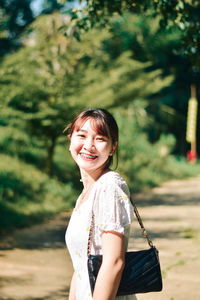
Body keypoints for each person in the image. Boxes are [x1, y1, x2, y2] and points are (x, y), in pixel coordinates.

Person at [65, 108, 137, 300]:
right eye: (82, 135)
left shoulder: (109, 185)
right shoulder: (85, 194)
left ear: (113, 147)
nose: (88, 145)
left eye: (100, 138)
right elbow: (80, 267)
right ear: (70, 139)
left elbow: (114, 262)